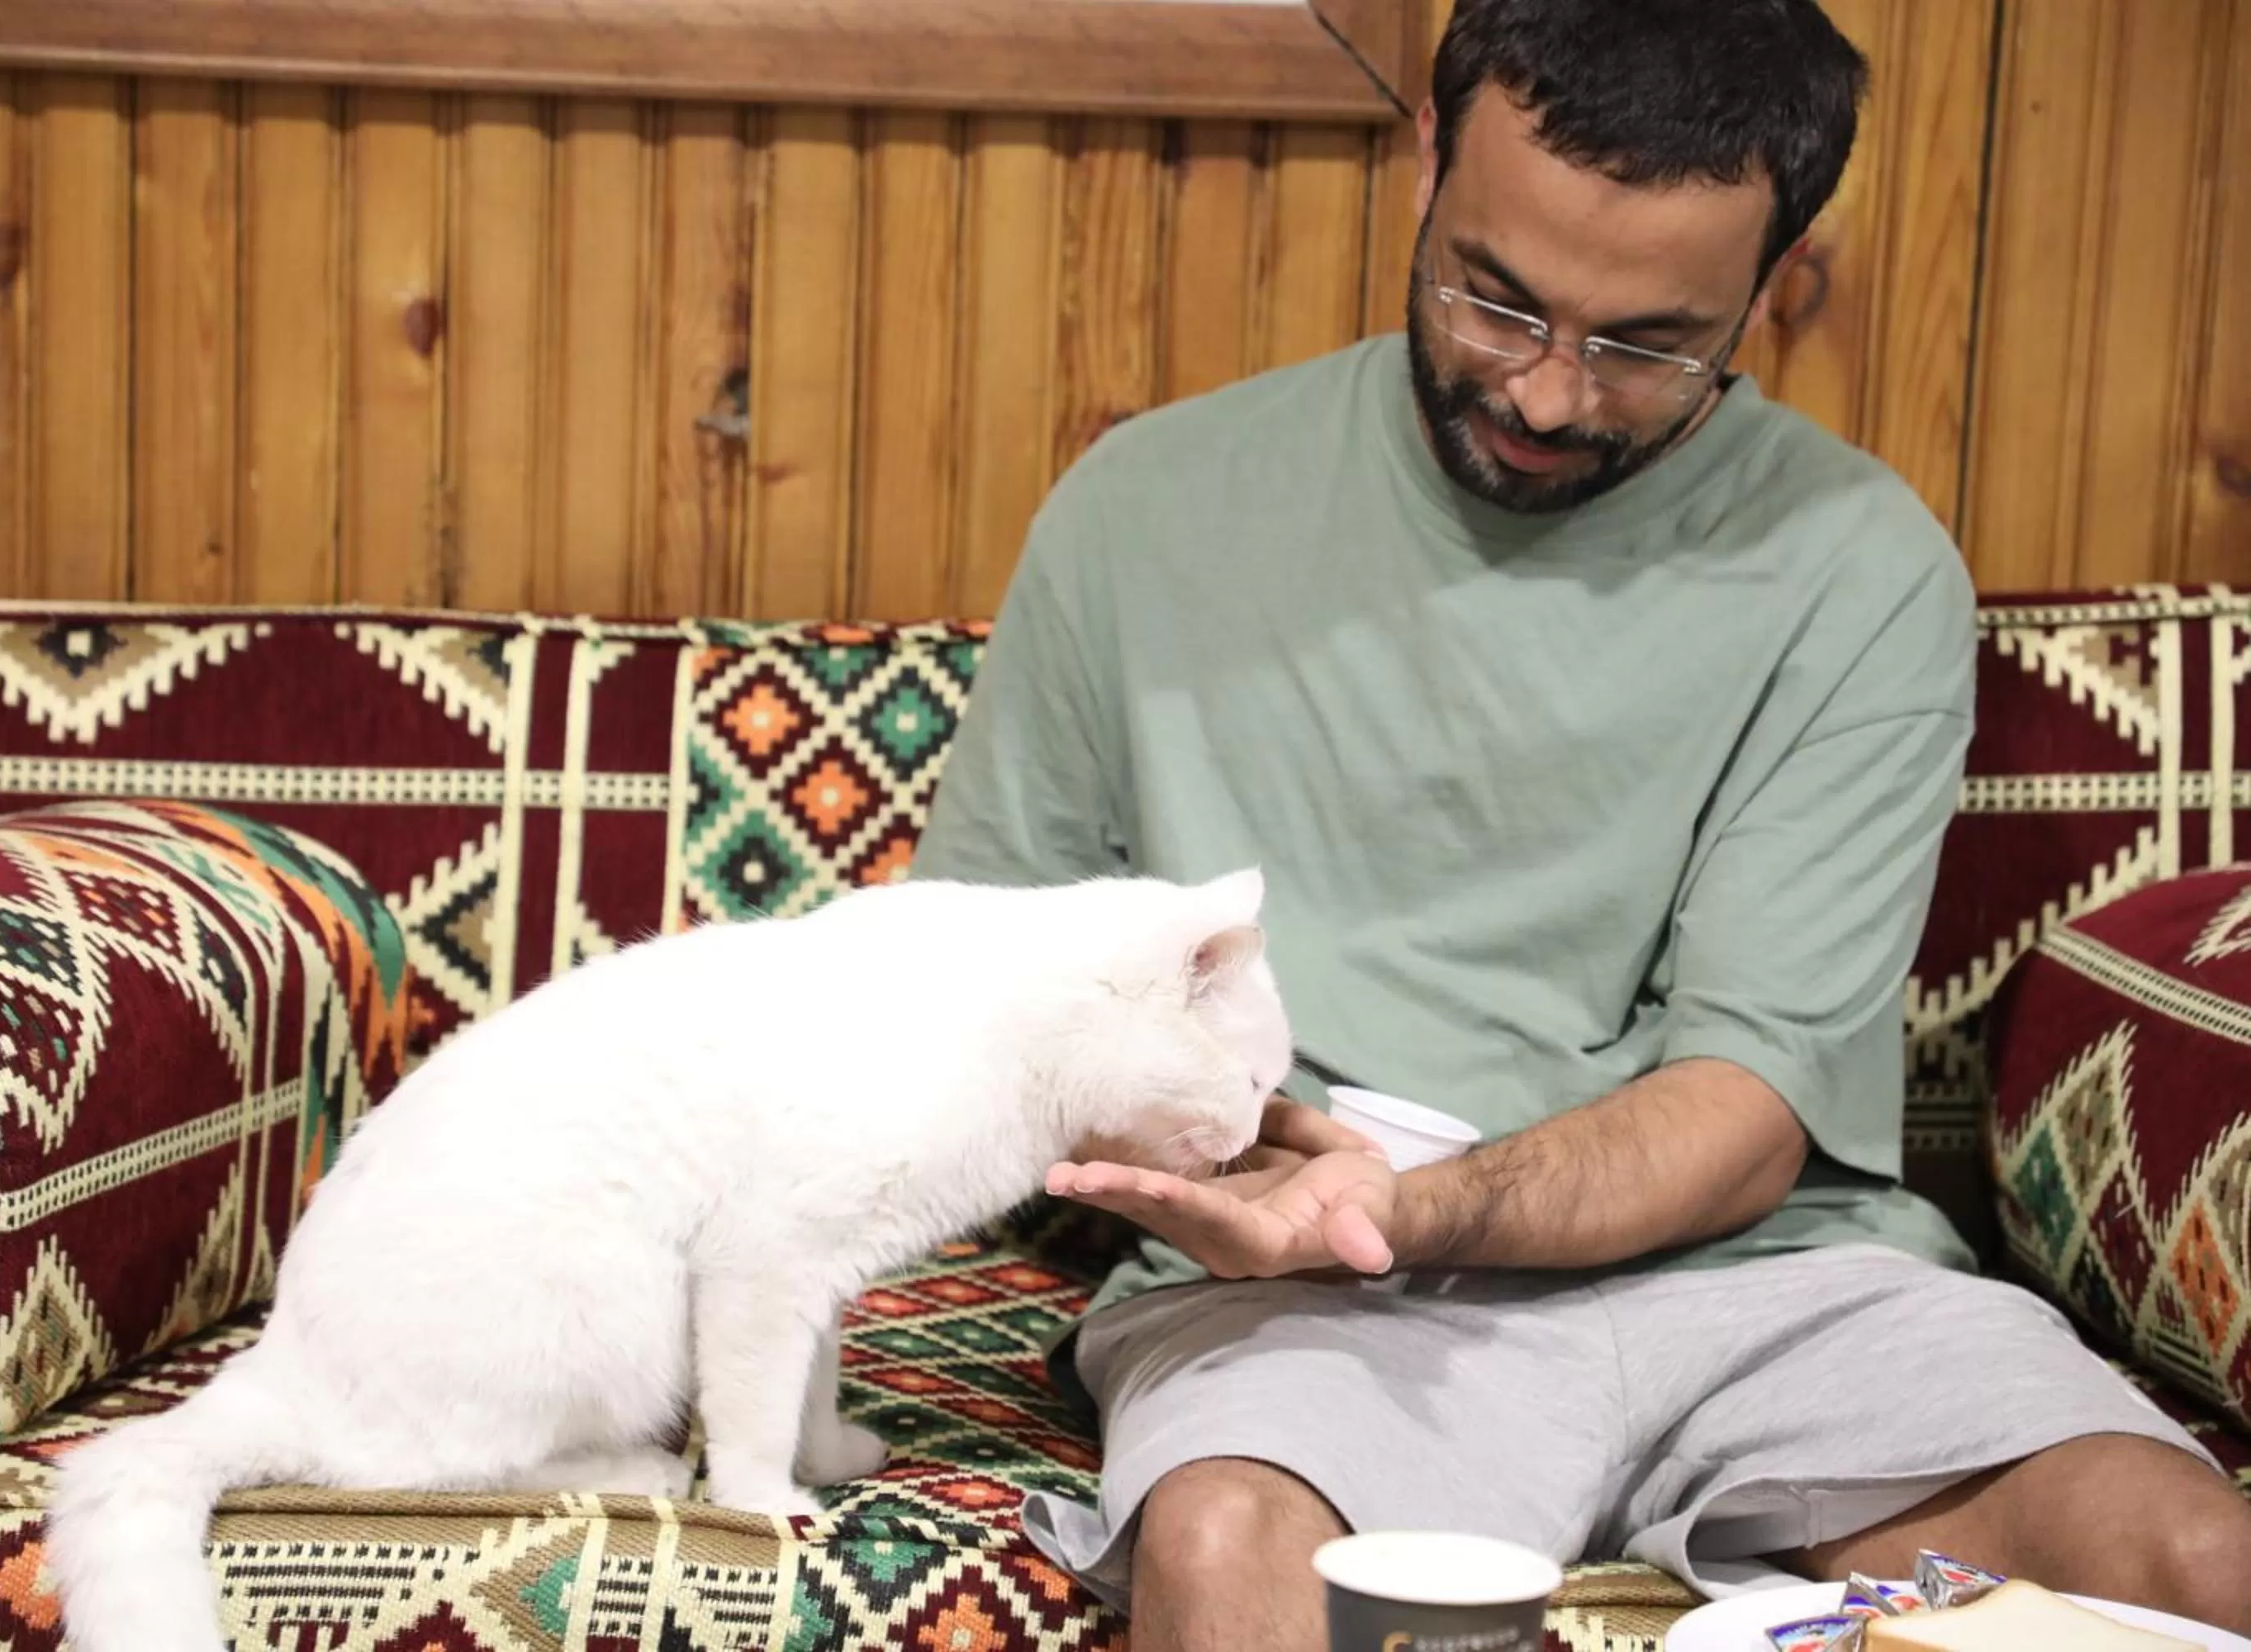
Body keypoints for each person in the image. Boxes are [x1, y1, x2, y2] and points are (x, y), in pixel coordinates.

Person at [906, 1, 2251, 1646]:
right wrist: (1227, 1157)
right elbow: (964, 997)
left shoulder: (1859, 568)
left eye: (1647, 342)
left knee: (2200, 1562)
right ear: (1424, 162)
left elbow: (1748, 1112)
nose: (1547, 393)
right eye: (1498, 295)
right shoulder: (1146, 512)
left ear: (1771, 286)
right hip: (1295, 1302)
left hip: (1778, 1291)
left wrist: (1409, 1205)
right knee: (1225, 1554)